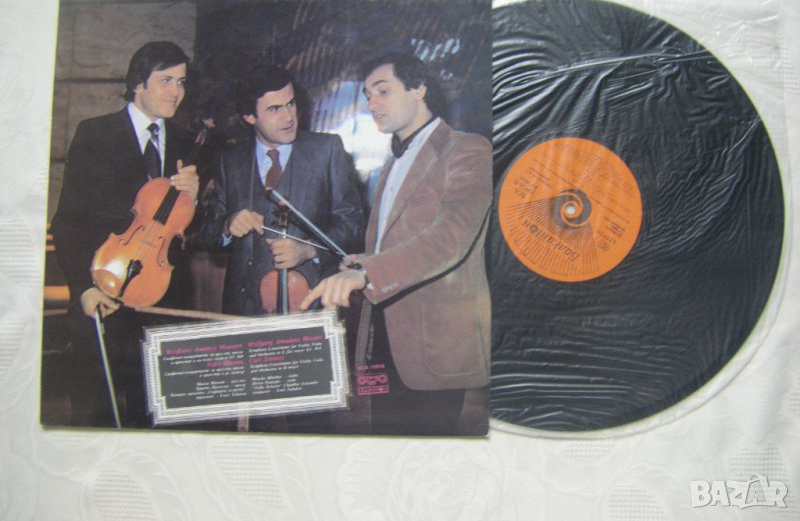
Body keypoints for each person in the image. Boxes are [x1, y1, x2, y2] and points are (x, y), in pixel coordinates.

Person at [301, 53, 492, 435]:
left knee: (428, 457)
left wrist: (366, 272)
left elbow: (450, 237)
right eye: (367, 95)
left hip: (436, 342)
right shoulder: (392, 160)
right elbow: (403, 238)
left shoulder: (469, 149)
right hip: (384, 335)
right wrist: (365, 259)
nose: (371, 104)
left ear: (418, 89)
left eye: (383, 91)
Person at [50, 41, 200, 426]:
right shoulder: (95, 134)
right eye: (166, 80)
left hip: (160, 301)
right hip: (103, 293)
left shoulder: (187, 142)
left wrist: (196, 199)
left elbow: (189, 231)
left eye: (181, 82)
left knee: (153, 419)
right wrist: (84, 288)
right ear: (138, 83)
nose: (176, 92)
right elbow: (67, 222)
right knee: (95, 417)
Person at [197, 64, 364, 317]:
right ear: (249, 117)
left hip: (312, 304)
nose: (288, 117)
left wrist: (309, 250)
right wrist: (227, 226)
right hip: (244, 310)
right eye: (274, 109)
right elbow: (206, 234)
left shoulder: (327, 150)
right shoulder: (229, 160)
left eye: (291, 104)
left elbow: (352, 225)